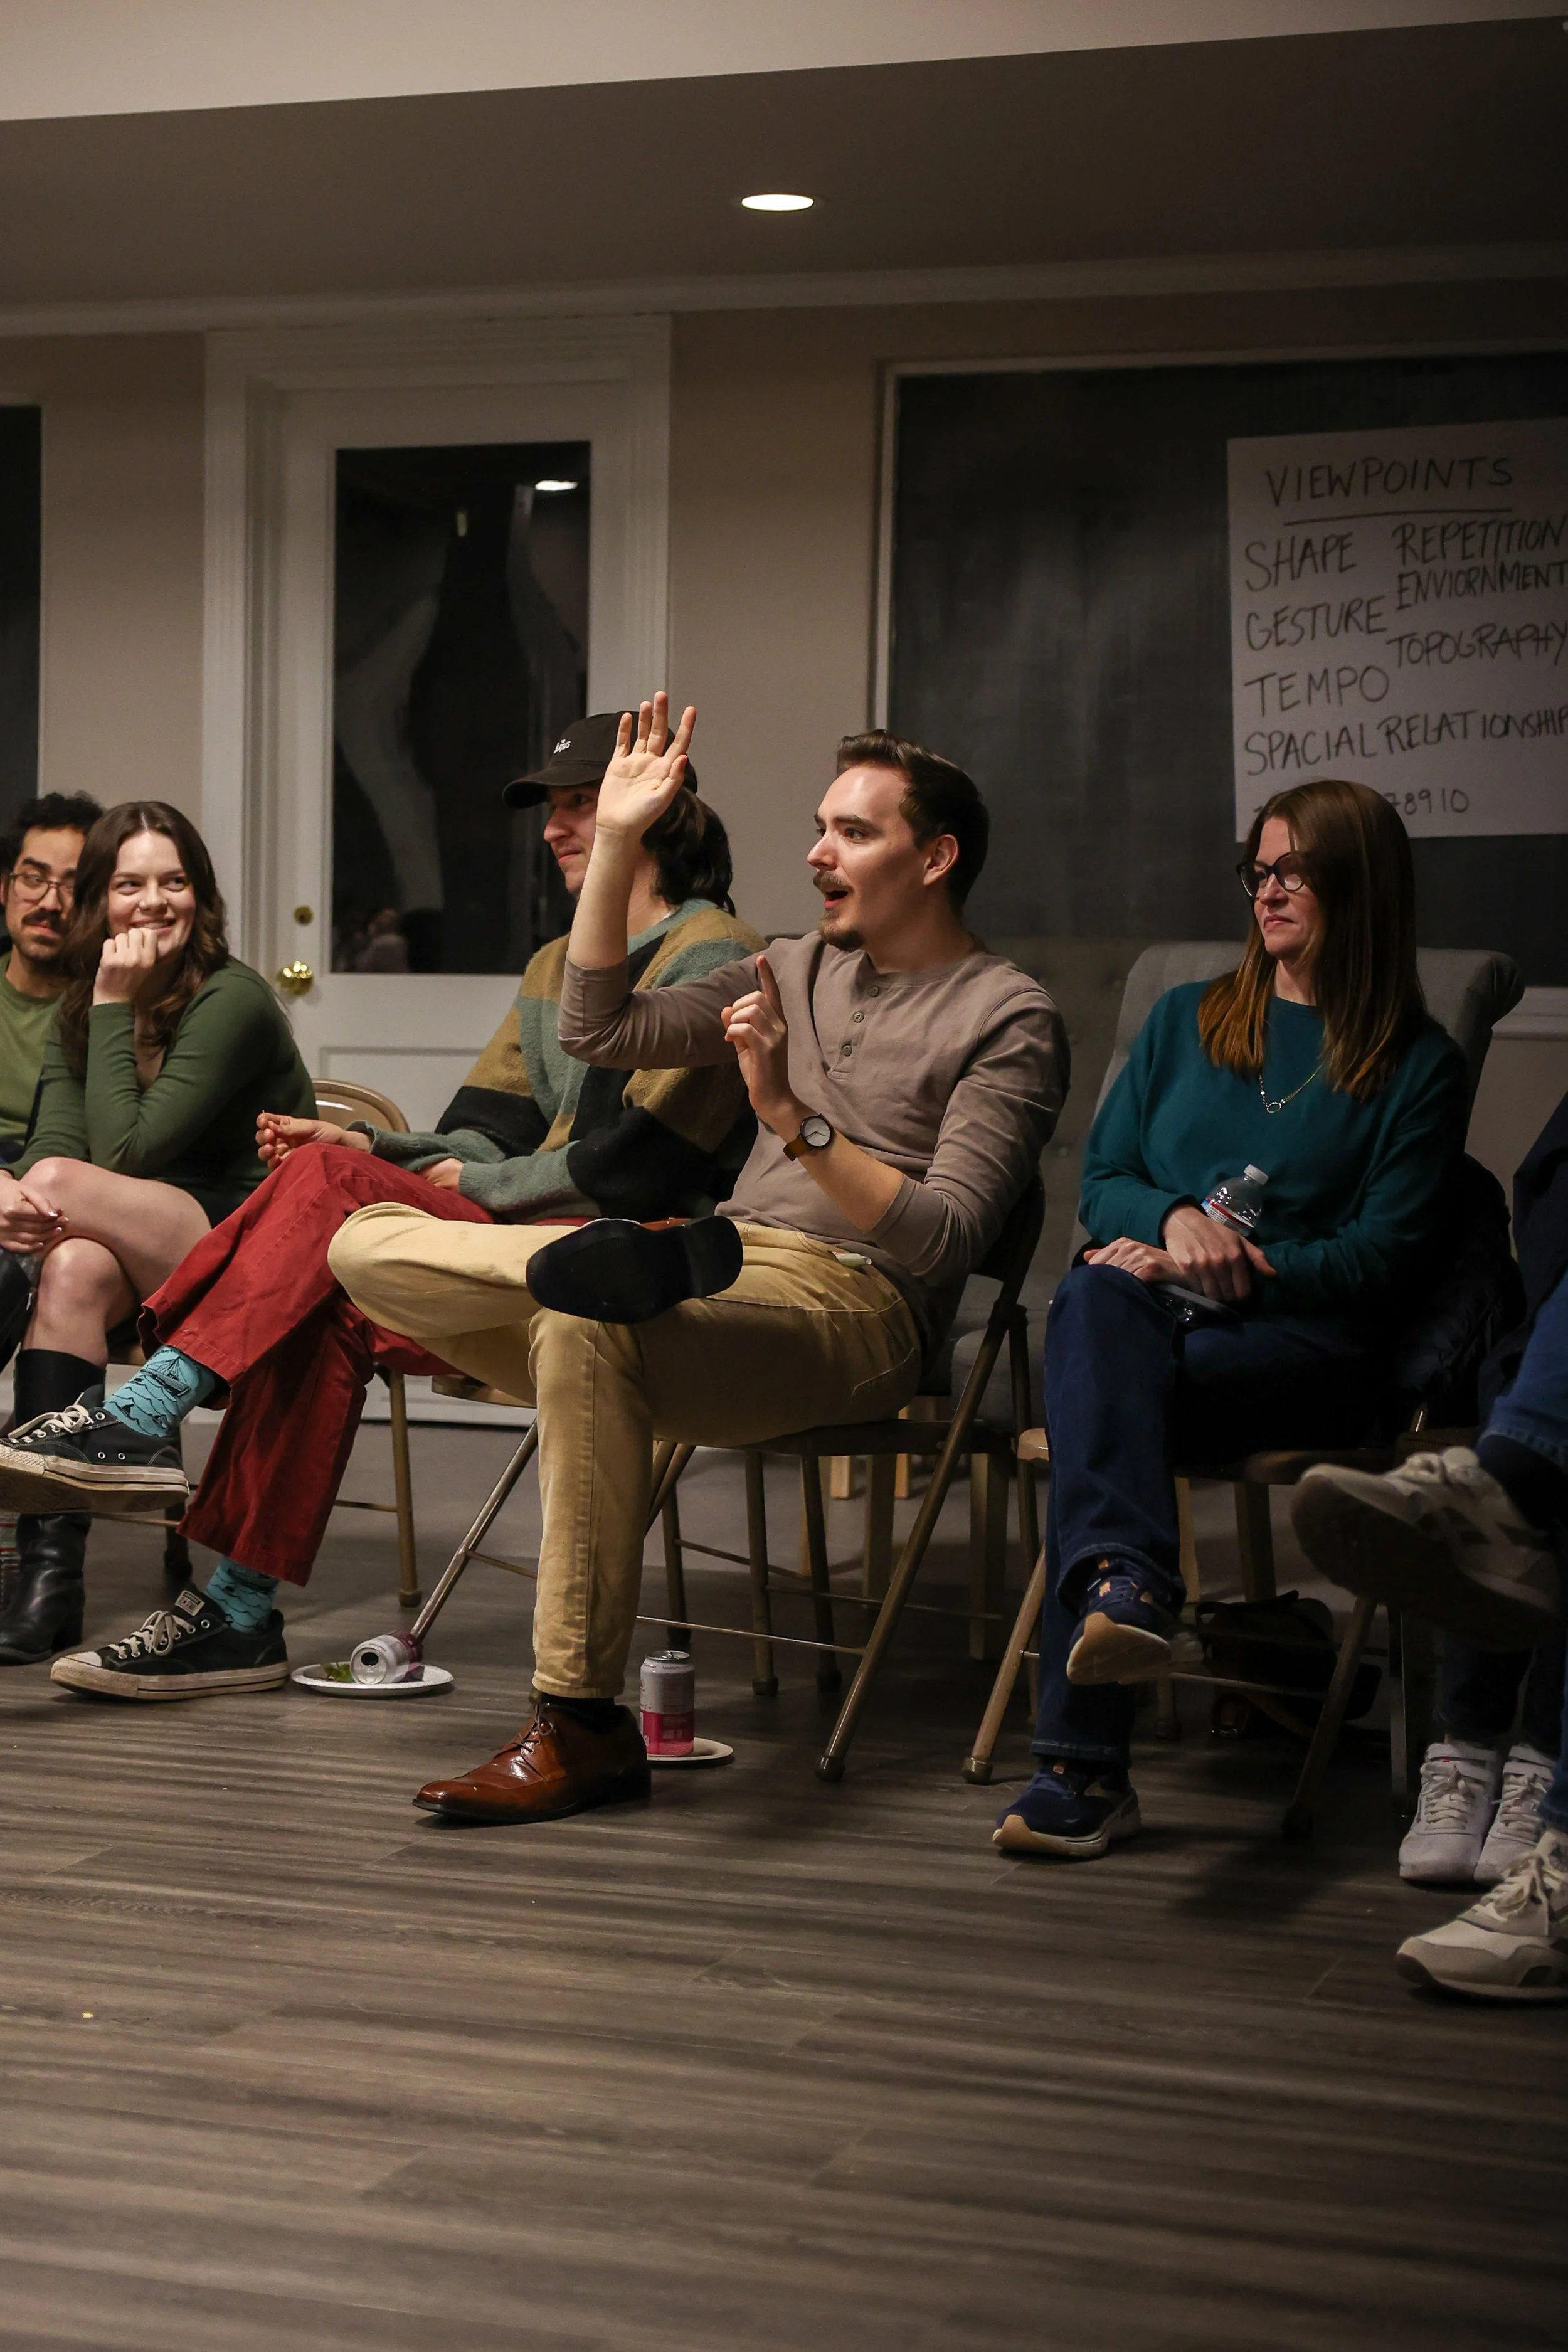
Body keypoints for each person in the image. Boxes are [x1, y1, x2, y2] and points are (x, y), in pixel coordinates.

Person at [316, 695, 1067, 1828]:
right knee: (361, 1243)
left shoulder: (1007, 1014)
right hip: (714, 1266)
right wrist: (617, 839)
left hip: (855, 1308)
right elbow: (600, 1032)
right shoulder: (792, 968)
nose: (818, 850)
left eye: (854, 832)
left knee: (585, 1326)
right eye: (821, 825)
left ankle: (579, 1726)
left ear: (938, 856)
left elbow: (947, 1239)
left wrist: (791, 1118)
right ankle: (604, 1273)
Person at [0, 716, 762, 1696]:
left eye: (580, 805)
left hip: (623, 1256)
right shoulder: (555, 963)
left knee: (314, 1188)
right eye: (557, 809)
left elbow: (648, 1164)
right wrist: (373, 1147)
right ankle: (236, 1614)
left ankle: (145, 1411)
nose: (557, 828)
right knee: (321, 1296)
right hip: (513, 1249)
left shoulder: (717, 951)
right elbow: (481, 1130)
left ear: (656, 809)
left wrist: (449, 1178)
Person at [992, 777, 1470, 1862]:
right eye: (1259, 866)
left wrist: (1233, 1265)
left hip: (1299, 1351)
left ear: (1363, 884)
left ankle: (1083, 1765)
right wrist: (1167, 1223)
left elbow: (1381, 1262)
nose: (1270, 887)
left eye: (1296, 868)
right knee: (1101, 1295)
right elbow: (1106, 1179)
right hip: (1148, 1328)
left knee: (1098, 1388)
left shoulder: (1415, 1068)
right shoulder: (1186, 1022)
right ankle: (1128, 1586)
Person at [0, 801, 315, 1664]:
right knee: (67, 1267)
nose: (153, 902)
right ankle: (49, 1580)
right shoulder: (81, 1003)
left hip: (250, 1255)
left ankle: (88, 1470)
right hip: (139, 1249)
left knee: (57, 1192)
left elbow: (133, 1152)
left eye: (173, 881)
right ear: (100, 900)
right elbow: (59, 1143)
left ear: (201, 895)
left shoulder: (233, 998)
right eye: (130, 883)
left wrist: (109, 1002)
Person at [1291, 1107, 1567, 2001]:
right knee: (1515, 1371)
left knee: (1526, 1414)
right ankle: (1485, 1747)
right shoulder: (1190, 1029)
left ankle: (1525, 1752)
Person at [0, 792, 102, 1163]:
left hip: (52, 1188)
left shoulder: (110, 1006)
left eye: (72, 887)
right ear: (4, 887)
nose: (49, 904)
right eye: (33, 878)